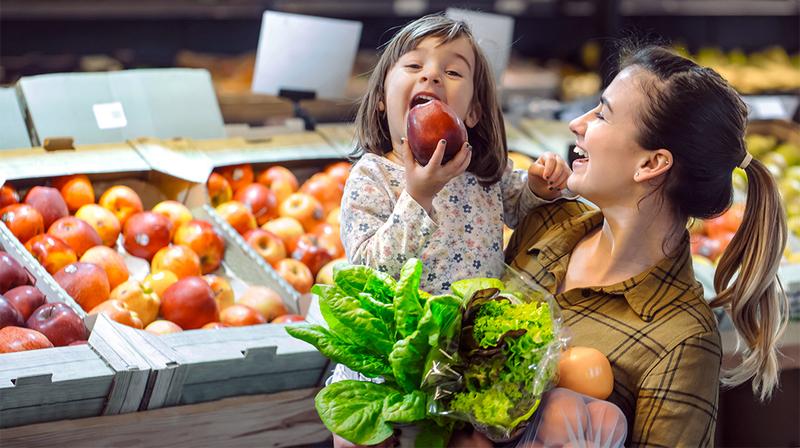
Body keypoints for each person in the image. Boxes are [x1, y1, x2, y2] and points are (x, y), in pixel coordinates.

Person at [501, 45, 788, 447]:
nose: (577, 125)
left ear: (652, 164)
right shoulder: (546, 223)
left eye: (601, 114)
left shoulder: (683, 341)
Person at [332, 14, 571, 447]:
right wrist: (418, 196)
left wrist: (539, 185)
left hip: (467, 364)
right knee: (360, 439)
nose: (432, 74)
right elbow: (369, 267)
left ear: (474, 111)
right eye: (413, 66)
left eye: (454, 71)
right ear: (383, 98)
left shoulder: (485, 176)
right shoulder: (373, 178)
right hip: (393, 360)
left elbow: (519, 207)